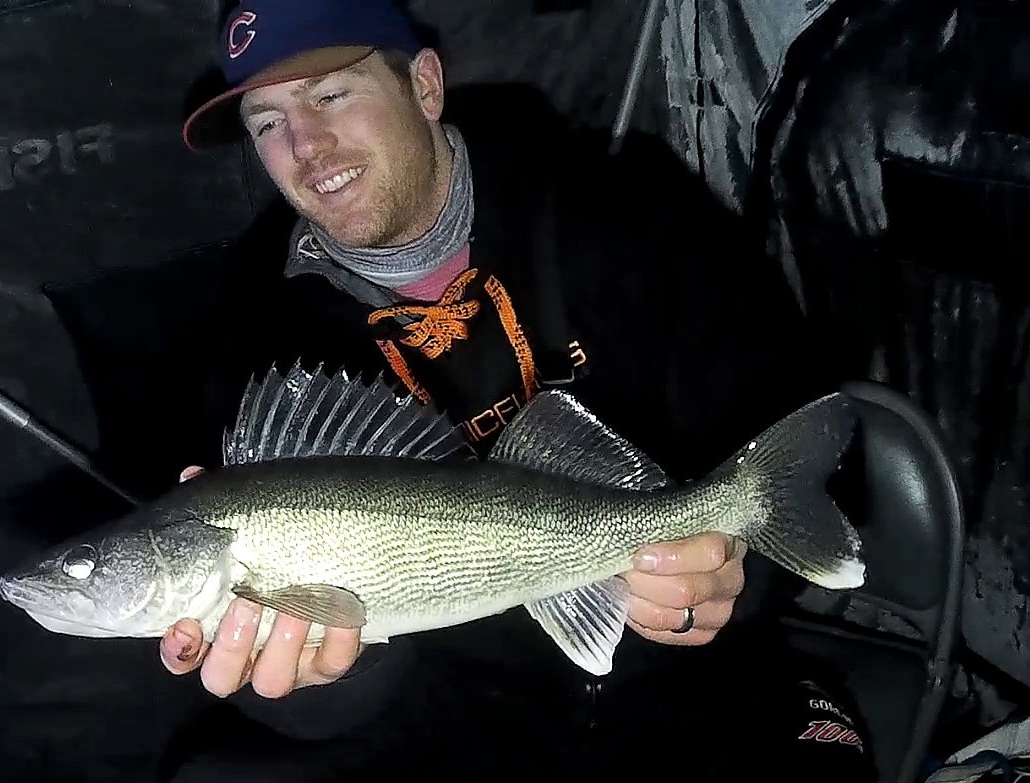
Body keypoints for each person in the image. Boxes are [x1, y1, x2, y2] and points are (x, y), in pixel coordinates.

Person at [156, 1, 877, 780]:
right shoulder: (255, 331)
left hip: (698, 682)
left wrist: (734, 576)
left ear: (424, 84)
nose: (305, 145)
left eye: (331, 95)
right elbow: (323, 699)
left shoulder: (631, 214)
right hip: (466, 705)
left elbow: (809, 451)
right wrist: (322, 676)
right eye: (266, 123)